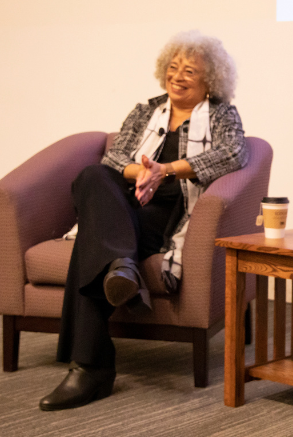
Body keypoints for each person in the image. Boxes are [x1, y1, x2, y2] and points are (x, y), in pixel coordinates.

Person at [39, 31, 249, 411]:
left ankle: (90, 366)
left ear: (209, 81)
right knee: (92, 176)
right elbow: (116, 159)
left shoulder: (221, 115)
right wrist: (143, 174)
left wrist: (165, 170)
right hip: (124, 206)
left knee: (93, 241)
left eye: (190, 70)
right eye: (173, 67)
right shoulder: (144, 111)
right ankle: (122, 266)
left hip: (170, 214)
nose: (178, 76)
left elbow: (233, 154)